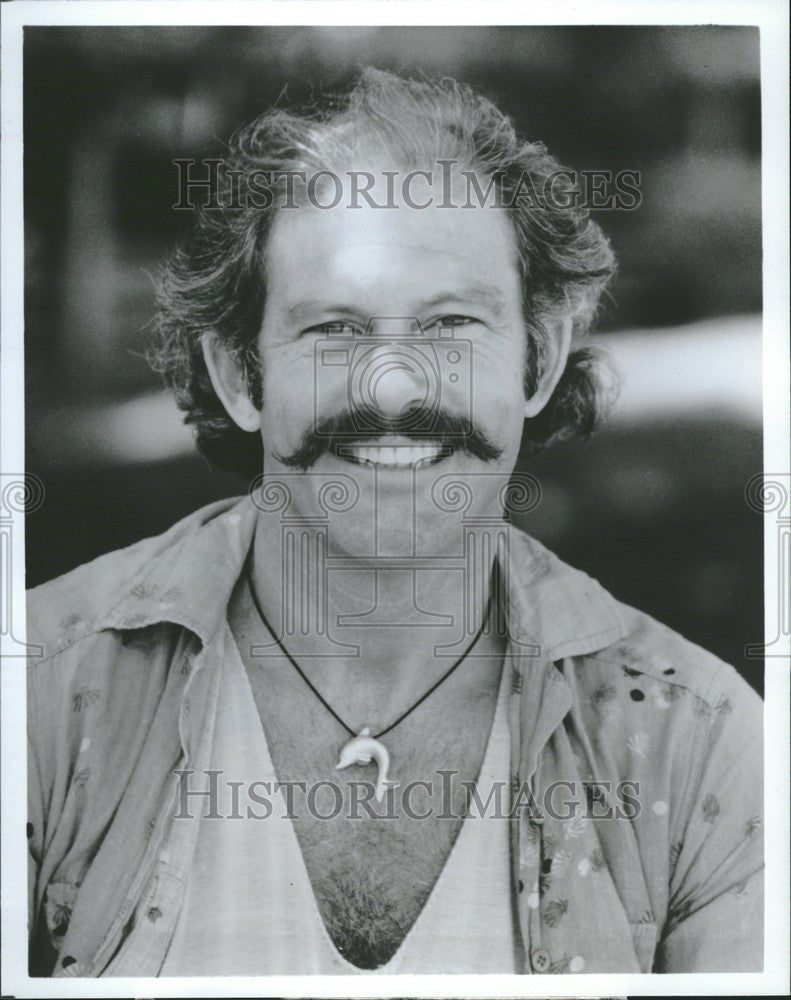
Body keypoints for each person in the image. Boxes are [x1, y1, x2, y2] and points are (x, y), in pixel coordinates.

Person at [27, 68, 763, 977]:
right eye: (333, 329)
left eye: (450, 325)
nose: (396, 387)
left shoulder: (695, 743)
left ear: (538, 363)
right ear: (236, 376)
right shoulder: (42, 697)